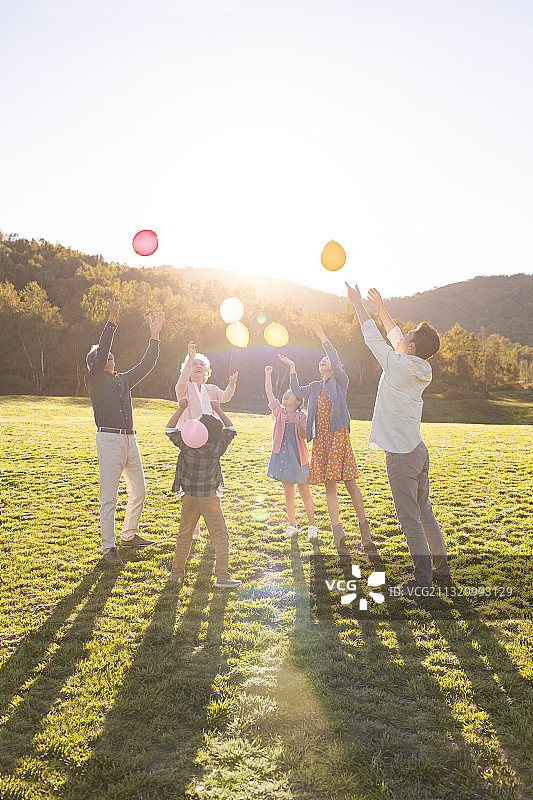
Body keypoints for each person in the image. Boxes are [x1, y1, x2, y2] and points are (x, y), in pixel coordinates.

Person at [346, 281, 452, 596]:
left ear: (413, 347)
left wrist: (357, 304)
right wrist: (381, 309)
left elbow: (374, 338)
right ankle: (441, 572)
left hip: (402, 455)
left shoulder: (396, 364)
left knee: (410, 519)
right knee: (424, 511)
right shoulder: (419, 367)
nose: (401, 335)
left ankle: (422, 581)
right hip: (417, 450)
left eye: (407, 336)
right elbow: (395, 338)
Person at [278, 319, 375, 553]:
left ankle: (365, 533)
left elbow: (333, 358)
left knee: (350, 483)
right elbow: (298, 391)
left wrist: (323, 337)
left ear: (333, 365)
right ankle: (337, 533)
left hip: (339, 436)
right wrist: (292, 369)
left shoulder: (340, 381)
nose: (323, 362)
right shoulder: (313, 386)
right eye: (321, 361)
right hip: (321, 440)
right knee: (329, 485)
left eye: (327, 361)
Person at [84, 295, 165, 565]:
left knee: (139, 491)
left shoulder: (122, 380)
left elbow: (147, 365)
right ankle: (109, 547)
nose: (109, 355)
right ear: (93, 364)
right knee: (109, 497)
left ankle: (129, 535)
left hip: (131, 440)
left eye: (110, 354)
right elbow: (104, 345)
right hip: (108, 439)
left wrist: (154, 337)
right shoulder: (94, 379)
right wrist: (112, 321)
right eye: (103, 355)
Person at [165, 398, 242, 589]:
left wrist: (181, 408)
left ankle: (176, 574)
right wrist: (219, 409)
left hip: (189, 497)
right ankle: (222, 576)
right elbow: (231, 430)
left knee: (185, 535)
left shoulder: (187, 444)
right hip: (210, 499)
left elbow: (169, 429)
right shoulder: (217, 448)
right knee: (220, 537)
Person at [175, 340, 238, 540]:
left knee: (210, 483)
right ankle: (193, 529)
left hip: (211, 441)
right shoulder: (185, 388)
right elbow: (179, 386)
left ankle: (212, 525)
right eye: (194, 365)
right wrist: (190, 360)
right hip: (190, 439)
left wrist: (231, 385)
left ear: (207, 372)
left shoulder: (211, 389)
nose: (198, 367)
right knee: (191, 482)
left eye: (201, 366)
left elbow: (225, 397)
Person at [264, 365, 317, 539]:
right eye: (286, 394)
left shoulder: (303, 416)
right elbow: (270, 394)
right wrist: (268, 374)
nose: (286, 396)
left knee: (304, 492)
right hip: (282, 458)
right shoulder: (279, 412)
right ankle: (292, 525)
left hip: (298, 460)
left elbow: (304, 436)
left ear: (298, 402)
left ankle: (312, 526)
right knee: (288, 493)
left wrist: (297, 423)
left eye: (291, 395)